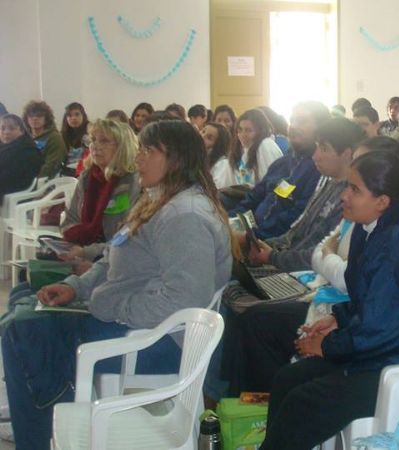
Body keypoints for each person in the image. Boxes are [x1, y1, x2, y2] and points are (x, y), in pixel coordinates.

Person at [2, 120, 233, 450]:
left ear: (177, 159)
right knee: (23, 309)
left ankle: (37, 436)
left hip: (156, 343)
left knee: (23, 333)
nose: (137, 159)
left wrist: (109, 306)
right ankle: (43, 417)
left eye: (148, 151)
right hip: (130, 320)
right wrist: (76, 287)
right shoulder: (157, 199)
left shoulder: (186, 216)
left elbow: (184, 300)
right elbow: (112, 258)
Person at [259, 150, 399, 450]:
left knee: (303, 403)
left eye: (354, 189)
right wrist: (338, 319)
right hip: (393, 346)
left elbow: (383, 327)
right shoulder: (372, 228)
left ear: (382, 202)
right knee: (288, 379)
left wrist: (328, 346)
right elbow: (371, 298)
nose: (344, 195)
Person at [224, 136, 399, 396]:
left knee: (258, 322)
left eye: (356, 185)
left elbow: (345, 277)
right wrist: (328, 257)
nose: (346, 194)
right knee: (241, 304)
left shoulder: (387, 231)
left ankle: (255, 406)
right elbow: (319, 248)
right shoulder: (355, 213)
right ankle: (232, 398)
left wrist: (322, 257)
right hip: (331, 297)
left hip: (343, 309)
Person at [241, 117, 364, 273]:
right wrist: (263, 245)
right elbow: (296, 232)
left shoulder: (350, 197)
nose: (315, 156)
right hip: (287, 262)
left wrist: (272, 257)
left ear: (346, 154)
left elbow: (318, 253)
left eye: (324, 149)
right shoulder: (326, 181)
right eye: (317, 147)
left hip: (306, 273)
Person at [227, 101, 328, 239]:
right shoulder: (282, 163)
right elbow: (253, 197)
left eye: (302, 121)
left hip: (274, 244)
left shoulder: (319, 169)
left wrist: (253, 237)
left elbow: (298, 217)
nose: (293, 126)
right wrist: (229, 221)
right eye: (292, 120)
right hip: (252, 233)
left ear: (321, 128)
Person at [60, 119, 140, 264]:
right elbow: (70, 220)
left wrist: (87, 252)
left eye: (104, 141)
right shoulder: (87, 177)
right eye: (93, 140)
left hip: (115, 260)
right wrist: (73, 244)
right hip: (80, 255)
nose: (95, 146)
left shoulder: (134, 182)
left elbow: (128, 237)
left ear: (123, 147)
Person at [227, 108, 283, 187]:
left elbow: (270, 184)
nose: (242, 135)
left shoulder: (266, 145)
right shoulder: (245, 150)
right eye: (240, 130)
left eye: (248, 130)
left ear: (261, 131)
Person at [0, 114, 43, 202]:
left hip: (16, 194)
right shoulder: (5, 147)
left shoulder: (27, 151)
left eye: (11, 128)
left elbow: (11, 177)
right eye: (2, 128)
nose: (6, 132)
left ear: (22, 131)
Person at [22, 100, 67, 178]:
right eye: (31, 116)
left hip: (43, 181)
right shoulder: (24, 137)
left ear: (46, 118)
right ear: (26, 118)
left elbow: (52, 165)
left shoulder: (54, 137)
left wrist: (34, 181)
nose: (35, 118)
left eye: (39, 116)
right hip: (23, 179)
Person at [60, 102, 90, 177]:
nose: (73, 118)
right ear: (66, 119)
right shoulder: (62, 135)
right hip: (68, 171)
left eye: (77, 114)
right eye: (69, 115)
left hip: (86, 172)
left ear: (83, 115)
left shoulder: (91, 132)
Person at [202, 122, 234, 189]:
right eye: (203, 131)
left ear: (217, 146)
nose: (202, 136)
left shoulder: (223, 164)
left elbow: (217, 193)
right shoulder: (197, 159)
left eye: (209, 138)